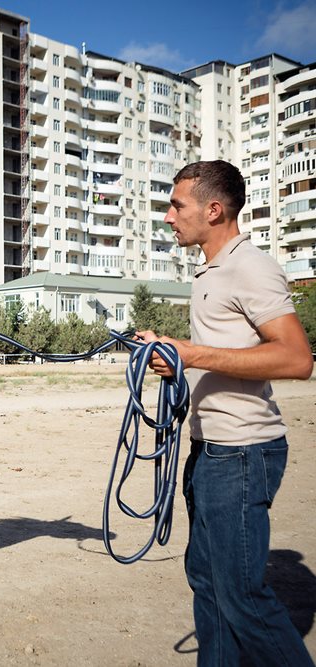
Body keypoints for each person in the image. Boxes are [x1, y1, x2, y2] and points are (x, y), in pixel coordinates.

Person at [137, 160, 314, 666]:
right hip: (210, 451)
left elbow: (296, 358)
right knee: (209, 586)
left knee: (242, 599)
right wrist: (175, 359)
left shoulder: (249, 266)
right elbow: (226, 353)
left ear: (213, 210)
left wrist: (191, 354)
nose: (169, 217)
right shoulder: (212, 270)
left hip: (241, 453)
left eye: (177, 205)